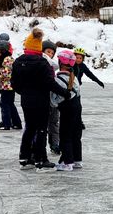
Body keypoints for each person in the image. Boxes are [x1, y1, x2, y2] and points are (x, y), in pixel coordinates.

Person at [11, 28, 71, 171]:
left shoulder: (18, 61)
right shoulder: (42, 62)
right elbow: (50, 83)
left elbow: (14, 84)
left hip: (26, 101)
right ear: (39, 47)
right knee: (41, 130)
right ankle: (41, 159)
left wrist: (25, 93)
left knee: (29, 128)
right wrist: (65, 93)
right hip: (41, 101)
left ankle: (25, 158)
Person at [50, 50, 84, 171]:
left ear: (61, 62)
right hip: (77, 108)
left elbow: (54, 100)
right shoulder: (73, 77)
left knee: (65, 135)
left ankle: (67, 162)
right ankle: (77, 160)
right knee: (75, 134)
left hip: (67, 109)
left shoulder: (59, 79)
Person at [0, 40, 22, 130]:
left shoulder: (7, 59)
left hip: (8, 86)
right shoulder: (4, 58)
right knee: (9, 104)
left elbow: (7, 73)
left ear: (3, 50)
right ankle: (16, 123)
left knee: (4, 104)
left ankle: (7, 123)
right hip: (6, 86)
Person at [42, 40, 61, 155]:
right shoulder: (41, 64)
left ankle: (55, 144)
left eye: (51, 53)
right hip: (43, 98)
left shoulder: (53, 67)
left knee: (54, 122)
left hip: (52, 99)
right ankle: (39, 146)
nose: (49, 54)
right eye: (48, 51)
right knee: (42, 124)